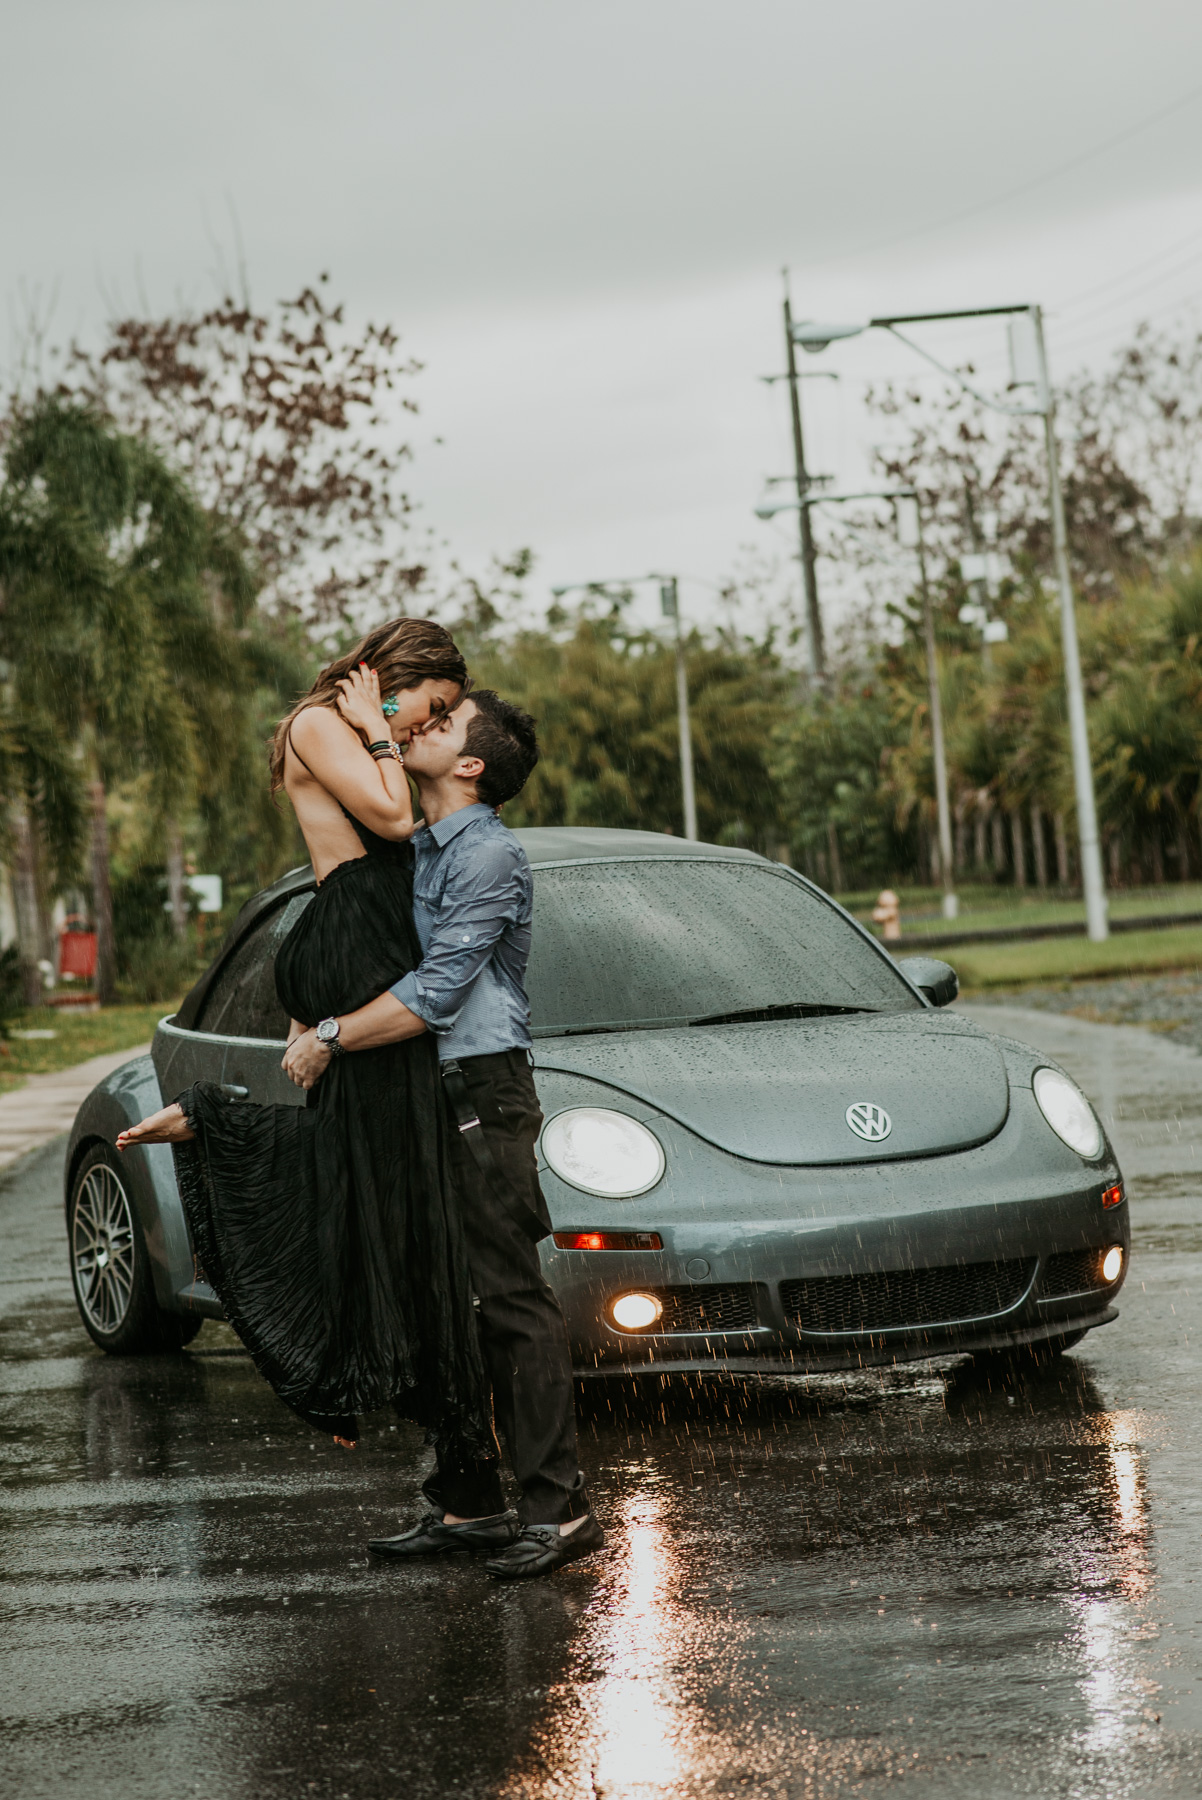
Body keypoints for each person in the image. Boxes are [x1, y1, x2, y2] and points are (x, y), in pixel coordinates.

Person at [116, 619, 495, 1474]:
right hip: (359, 920)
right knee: (383, 1186)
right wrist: (373, 729)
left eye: (436, 722)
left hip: (365, 929)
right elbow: (393, 820)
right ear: (387, 677)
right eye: (423, 709)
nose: (417, 731)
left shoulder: (363, 733)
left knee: (391, 1185)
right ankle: (217, 1127)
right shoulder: (324, 724)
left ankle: (462, 1472)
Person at [282, 690, 604, 1581]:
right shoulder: (418, 850)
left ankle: (560, 1510)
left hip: (481, 1091)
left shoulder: (489, 855)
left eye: (441, 725)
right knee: (440, 1301)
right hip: (430, 1095)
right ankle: (472, 1504)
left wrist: (332, 1035)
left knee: (507, 1300)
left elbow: (436, 992)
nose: (421, 729)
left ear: (470, 766)